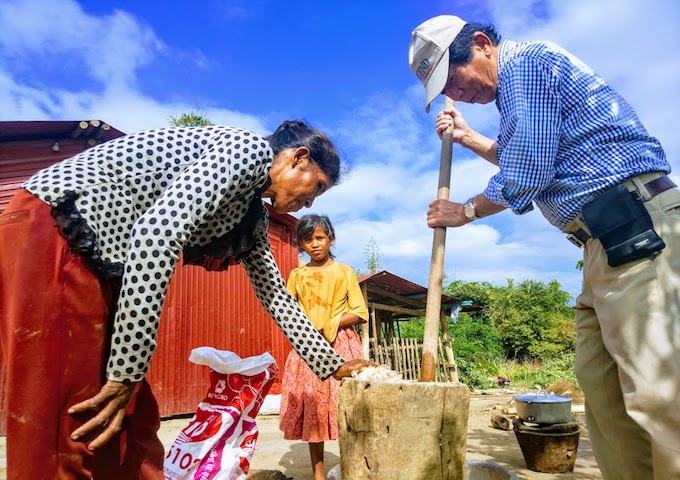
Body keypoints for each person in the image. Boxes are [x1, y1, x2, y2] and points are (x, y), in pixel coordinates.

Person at [0, 120, 371, 479]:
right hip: (56, 231)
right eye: (317, 187)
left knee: (132, 415)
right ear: (298, 157)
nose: (309, 204)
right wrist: (128, 368)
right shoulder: (247, 150)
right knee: (70, 410)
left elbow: (275, 293)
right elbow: (156, 235)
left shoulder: (251, 211)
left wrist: (332, 364)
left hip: (102, 265)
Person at [408, 15, 680, 480]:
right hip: (599, 248)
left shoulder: (529, 64)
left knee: (661, 396)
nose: (459, 93)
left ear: (480, 44)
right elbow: (531, 157)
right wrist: (470, 137)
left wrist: (464, 211)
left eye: (455, 79)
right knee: (604, 395)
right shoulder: (518, 96)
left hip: (637, 229)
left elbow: (527, 171)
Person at [279, 214, 368, 480]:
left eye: (320, 238)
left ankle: (351, 469)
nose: (315, 244)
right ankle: (318, 474)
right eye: (308, 240)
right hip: (308, 348)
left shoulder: (344, 272)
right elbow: (287, 312)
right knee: (313, 408)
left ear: (331, 239)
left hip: (342, 347)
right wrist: (307, 330)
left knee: (346, 407)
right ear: (301, 245)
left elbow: (359, 311)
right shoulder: (297, 275)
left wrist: (329, 322)